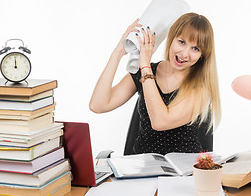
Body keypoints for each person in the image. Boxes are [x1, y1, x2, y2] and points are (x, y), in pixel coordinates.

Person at [89, 12, 221, 155]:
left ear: (202, 55)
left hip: (181, 173)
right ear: (171, 38)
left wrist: (144, 66)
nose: (184, 54)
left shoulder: (201, 89)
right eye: (181, 42)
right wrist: (118, 52)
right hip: (142, 170)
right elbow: (98, 105)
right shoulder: (149, 70)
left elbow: (160, 122)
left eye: (195, 48)